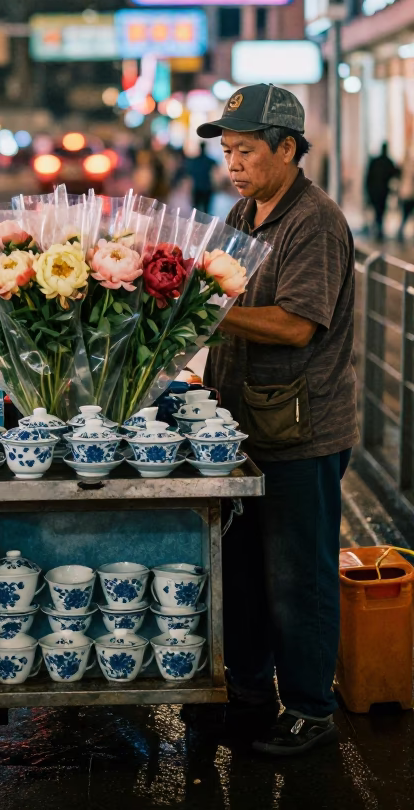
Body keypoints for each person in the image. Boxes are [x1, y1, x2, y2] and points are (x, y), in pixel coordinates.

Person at [196, 83, 357, 757]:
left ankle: (312, 708)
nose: (233, 163)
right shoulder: (243, 213)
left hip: (301, 432)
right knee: (244, 571)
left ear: (288, 149)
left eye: (247, 150)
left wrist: (206, 313)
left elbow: (294, 326)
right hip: (244, 428)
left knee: (298, 576)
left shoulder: (312, 223)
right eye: (228, 151)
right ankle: (253, 696)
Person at [365, 142, 398, 241]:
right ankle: (378, 229)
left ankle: (378, 229)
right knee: (380, 211)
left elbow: (368, 177)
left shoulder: (376, 161)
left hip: (376, 191)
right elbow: (395, 173)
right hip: (381, 192)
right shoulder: (387, 162)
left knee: (378, 211)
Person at [184, 142, 217, 214]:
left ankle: (194, 224)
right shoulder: (209, 161)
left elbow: (189, 174)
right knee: (205, 210)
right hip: (206, 188)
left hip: (198, 188)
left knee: (195, 209)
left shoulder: (194, 161)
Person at [398, 146, 414, 242]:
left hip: (405, 194)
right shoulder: (409, 167)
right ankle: (401, 231)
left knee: (405, 214)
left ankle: (401, 230)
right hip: (409, 194)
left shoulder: (403, 167)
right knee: (406, 214)